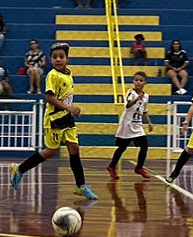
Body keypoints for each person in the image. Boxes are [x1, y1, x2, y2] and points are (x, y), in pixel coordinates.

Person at [10, 43, 97, 201]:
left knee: (74, 149)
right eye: (55, 57)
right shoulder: (52, 75)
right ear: (50, 59)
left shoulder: (69, 74)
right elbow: (49, 98)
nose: (58, 59)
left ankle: (81, 186)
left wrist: (69, 111)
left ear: (67, 59)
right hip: (54, 120)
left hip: (67, 119)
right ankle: (19, 169)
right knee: (50, 151)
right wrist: (70, 109)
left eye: (61, 56)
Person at [108, 69, 152, 180]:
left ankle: (139, 167)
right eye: (136, 80)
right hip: (127, 124)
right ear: (133, 81)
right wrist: (137, 99)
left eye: (141, 80)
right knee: (122, 148)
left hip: (137, 125)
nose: (138, 82)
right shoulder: (130, 92)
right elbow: (127, 105)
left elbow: (144, 111)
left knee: (144, 146)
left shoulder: (146, 96)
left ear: (145, 82)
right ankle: (112, 166)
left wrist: (149, 123)